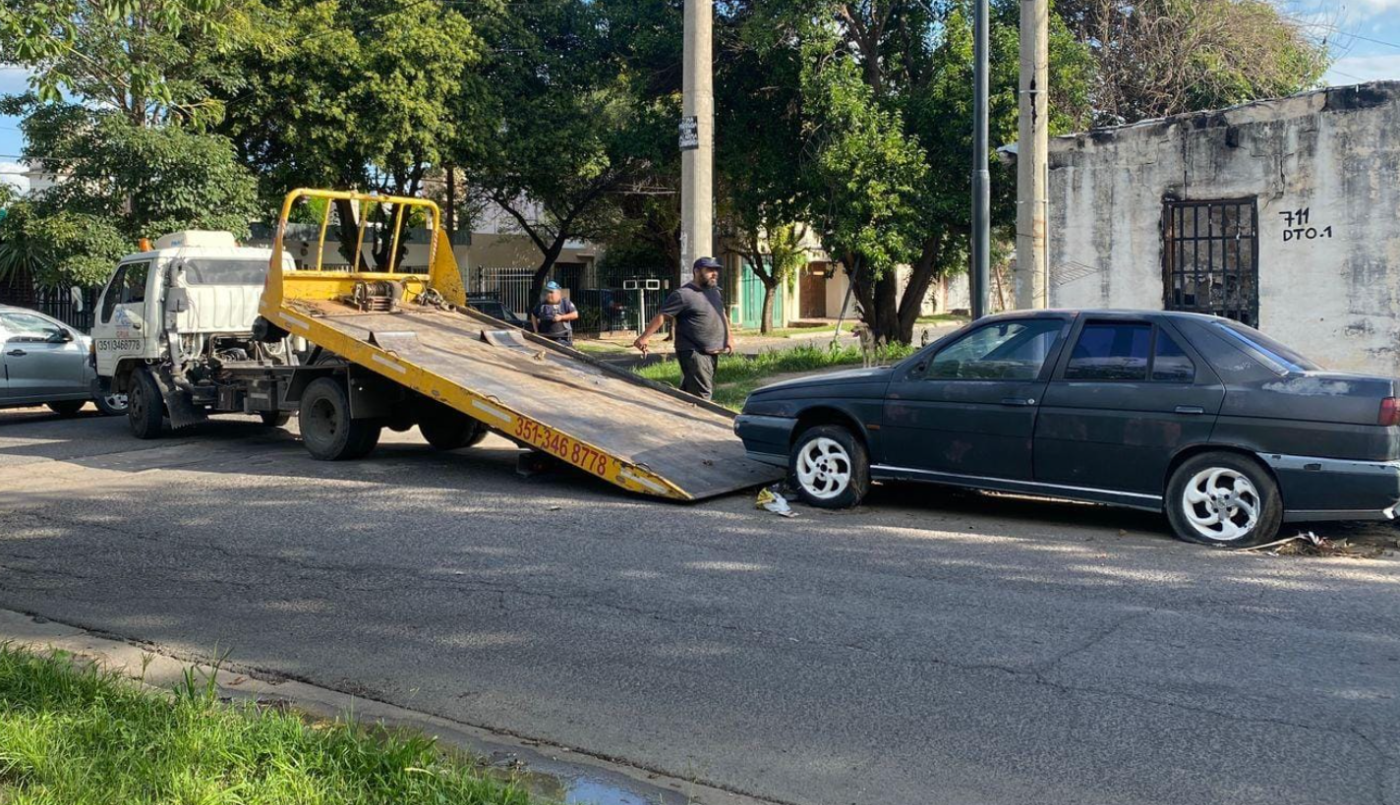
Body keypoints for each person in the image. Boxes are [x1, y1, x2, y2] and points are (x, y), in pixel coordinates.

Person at [633, 256, 735, 400]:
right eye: (709, 270)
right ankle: (700, 421)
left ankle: (675, 418)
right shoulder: (683, 295)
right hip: (694, 352)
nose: (714, 273)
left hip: (712, 351)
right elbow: (662, 316)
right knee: (703, 396)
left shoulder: (714, 292)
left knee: (688, 394)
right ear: (697, 271)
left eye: (716, 270)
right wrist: (644, 338)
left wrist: (729, 337)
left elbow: (722, 314)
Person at [531, 281, 579, 346]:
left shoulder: (565, 303)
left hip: (562, 339)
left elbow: (575, 314)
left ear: (558, 293)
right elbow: (533, 315)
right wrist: (536, 330)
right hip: (544, 339)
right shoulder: (541, 305)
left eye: (551, 292)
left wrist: (561, 317)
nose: (548, 295)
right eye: (547, 292)